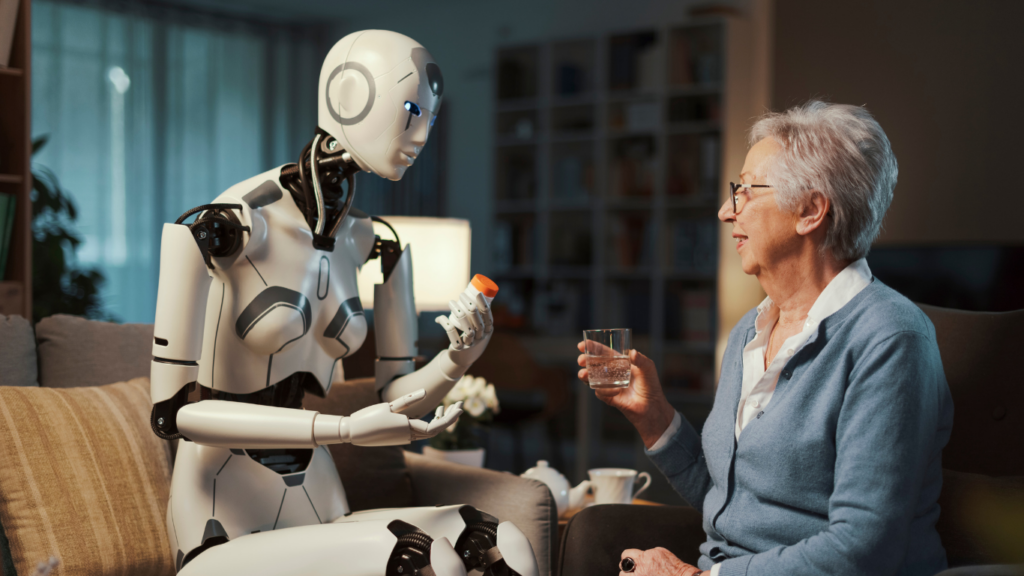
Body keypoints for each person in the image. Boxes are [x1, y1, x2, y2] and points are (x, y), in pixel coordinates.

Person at [577, 101, 953, 576]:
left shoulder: (891, 339)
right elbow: (733, 503)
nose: (724, 211)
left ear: (811, 210)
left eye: (745, 191)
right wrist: (655, 419)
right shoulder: (750, 331)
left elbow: (865, 548)